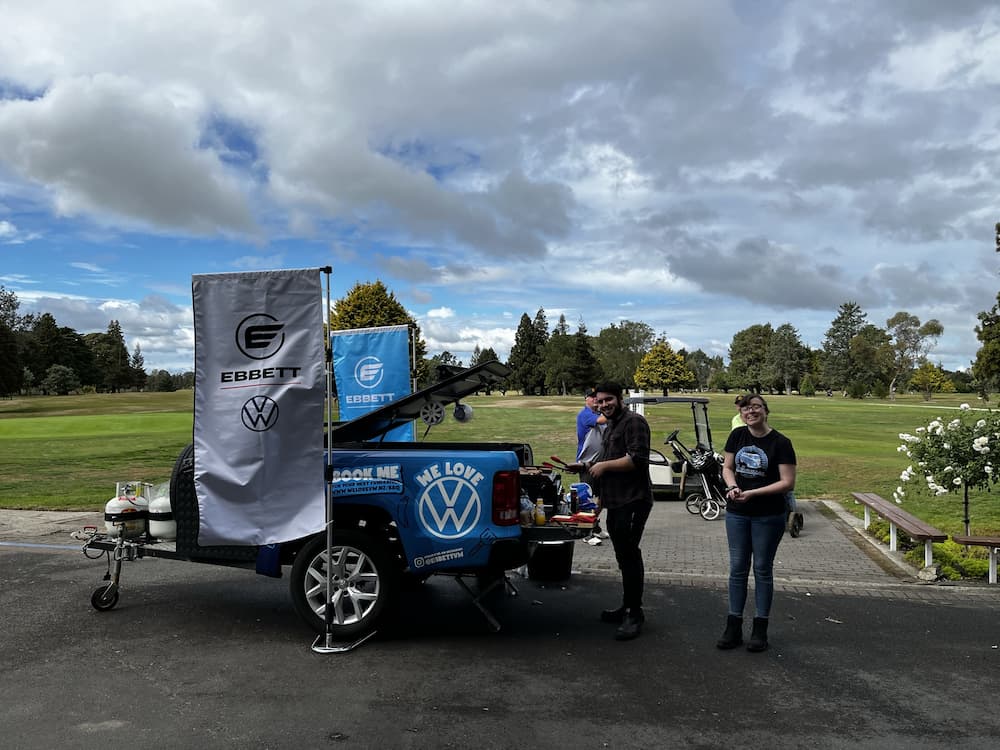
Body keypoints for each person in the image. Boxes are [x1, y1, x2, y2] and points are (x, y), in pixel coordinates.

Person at [570, 381, 653, 641]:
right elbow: (605, 457)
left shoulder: (634, 422)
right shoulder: (610, 424)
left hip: (633, 500)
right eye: (600, 400)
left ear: (620, 398)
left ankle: (634, 613)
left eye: (608, 399)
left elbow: (637, 458)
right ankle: (627, 606)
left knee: (629, 555)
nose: (603, 404)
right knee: (622, 555)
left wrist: (604, 468)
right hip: (615, 500)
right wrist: (583, 466)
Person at [717, 394, 796, 653]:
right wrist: (733, 486)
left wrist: (753, 493)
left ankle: (760, 627)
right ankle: (733, 624)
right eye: (746, 409)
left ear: (765, 411)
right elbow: (727, 467)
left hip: (768, 514)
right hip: (738, 512)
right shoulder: (737, 436)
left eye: (756, 407)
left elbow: (787, 482)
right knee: (738, 568)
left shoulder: (781, 443)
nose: (751, 412)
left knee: (762, 568)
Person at [575, 390, 608, 545]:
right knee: (586, 497)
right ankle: (584, 532)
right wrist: (616, 410)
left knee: (603, 496)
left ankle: (593, 525)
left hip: (600, 462)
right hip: (587, 462)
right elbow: (602, 420)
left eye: (597, 397)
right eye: (592, 397)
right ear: (586, 399)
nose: (595, 399)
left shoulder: (597, 413)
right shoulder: (585, 415)